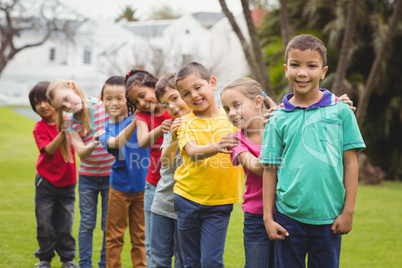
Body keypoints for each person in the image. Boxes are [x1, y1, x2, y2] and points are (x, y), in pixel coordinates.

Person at [260, 34, 366, 268]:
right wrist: (268, 218)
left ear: (323, 71)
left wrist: (348, 211)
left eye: (312, 66)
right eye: (295, 65)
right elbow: (269, 169)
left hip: (329, 218)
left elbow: (350, 163)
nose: (302, 73)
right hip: (288, 217)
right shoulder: (277, 118)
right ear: (286, 69)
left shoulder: (341, 111)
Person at [173, 62, 244, 267]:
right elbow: (193, 152)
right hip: (187, 199)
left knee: (211, 262)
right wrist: (216, 145)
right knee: (191, 262)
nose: (193, 96)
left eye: (197, 87)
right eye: (185, 93)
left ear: (212, 83)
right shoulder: (185, 123)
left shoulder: (232, 118)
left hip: (219, 203)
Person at [47, 80, 115, 268]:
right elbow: (82, 153)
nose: (68, 106)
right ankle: (85, 265)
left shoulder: (103, 106)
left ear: (72, 86)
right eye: (63, 107)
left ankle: (104, 264)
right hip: (88, 179)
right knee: (87, 224)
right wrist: (95, 140)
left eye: (67, 99)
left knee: (107, 225)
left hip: (112, 177)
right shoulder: (71, 122)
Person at [220, 77, 276, 268]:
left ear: (258, 102)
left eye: (236, 105)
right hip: (256, 217)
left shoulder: (280, 128)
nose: (231, 113)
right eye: (227, 109)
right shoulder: (236, 141)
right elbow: (258, 167)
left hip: (287, 213)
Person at [98, 76, 149, 267]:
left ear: (129, 99)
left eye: (119, 98)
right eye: (108, 98)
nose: (113, 103)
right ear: (101, 100)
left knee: (140, 238)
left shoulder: (143, 121)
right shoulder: (105, 131)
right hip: (119, 189)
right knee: (115, 236)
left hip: (144, 189)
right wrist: (135, 121)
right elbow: (116, 142)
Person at [125, 69, 173, 267]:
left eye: (144, 95)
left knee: (181, 247)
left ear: (154, 86)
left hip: (181, 184)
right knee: (153, 246)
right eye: (137, 101)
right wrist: (159, 129)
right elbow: (143, 141)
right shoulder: (142, 116)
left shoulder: (174, 105)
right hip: (154, 184)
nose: (143, 102)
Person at [29, 81, 78, 268]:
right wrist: (63, 132)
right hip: (46, 182)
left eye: (45, 100)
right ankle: (45, 259)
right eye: (36, 102)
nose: (42, 106)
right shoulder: (39, 128)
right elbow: (48, 150)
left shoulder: (71, 120)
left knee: (65, 224)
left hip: (68, 182)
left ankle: (67, 259)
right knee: (45, 223)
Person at [149, 72, 190, 267]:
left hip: (189, 208)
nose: (172, 107)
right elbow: (165, 162)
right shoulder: (174, 126)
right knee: (159, 259)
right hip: (163, 204)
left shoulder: (206, 123)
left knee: (184, 261)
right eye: (166, 105)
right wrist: (173, 138)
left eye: (175, 98)